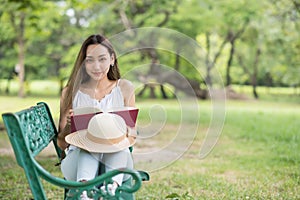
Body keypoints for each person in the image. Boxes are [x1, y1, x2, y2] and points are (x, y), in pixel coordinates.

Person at [57, 34, 137, 198]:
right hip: (78, 162)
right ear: (83, 63)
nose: (96, 66)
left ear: (112, 59)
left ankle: (111, 189)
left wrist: (115, 133)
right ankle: (84, 190)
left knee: (118, 145)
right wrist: (70, 127)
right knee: (89, 145)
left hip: (117, 159)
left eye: (102, 59)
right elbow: (61, 143)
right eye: (90, 60)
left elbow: (132, 135)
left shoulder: (125, 88)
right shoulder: (71, 92)